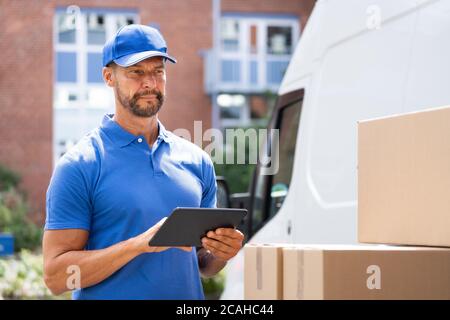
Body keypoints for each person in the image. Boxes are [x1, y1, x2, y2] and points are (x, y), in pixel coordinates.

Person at [43, 24, 244, 300]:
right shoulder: (80, 165)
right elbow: (56, 278)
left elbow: (202, 264)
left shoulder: (196, 161)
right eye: (136, 72)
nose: (149, 83)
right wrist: (139, 245)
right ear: (108, 77)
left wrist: (221, 252)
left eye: (157, 72)